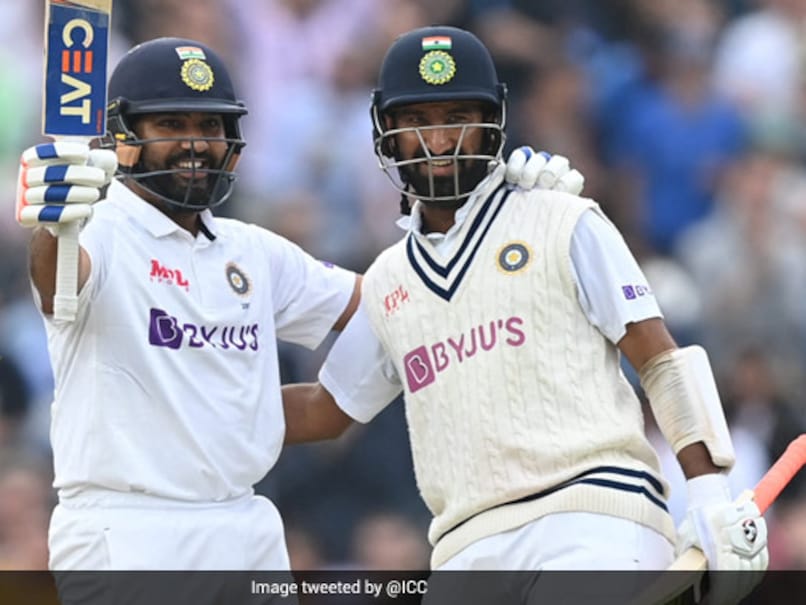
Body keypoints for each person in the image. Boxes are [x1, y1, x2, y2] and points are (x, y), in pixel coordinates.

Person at [13, 34, 579, 579]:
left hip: (246, 524)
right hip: (129, 530)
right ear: (124, 139)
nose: (195, 143)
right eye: (171, 124)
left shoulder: (251, 251)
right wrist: (54, 226)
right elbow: (58, 282)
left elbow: (403, 302)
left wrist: (514, 221)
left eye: (209, 125)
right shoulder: (98, 232)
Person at [281, 25, 769, 603]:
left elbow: (661, 360)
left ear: (492, 123)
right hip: (463, 547)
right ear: (387, 132)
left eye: (458, 118)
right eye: (418, 121)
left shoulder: (561, 217)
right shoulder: (390, 278)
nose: (440, 140)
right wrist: (196, 397)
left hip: (593, 513)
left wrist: (710, 494)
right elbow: (325, 410)